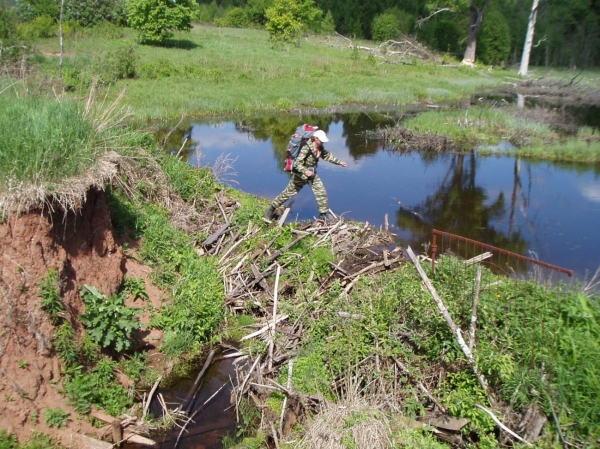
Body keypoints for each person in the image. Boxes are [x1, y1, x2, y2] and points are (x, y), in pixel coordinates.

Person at [265, 129, 347, 221]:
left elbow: (327, 156)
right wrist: (305, 171)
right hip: (300, 175)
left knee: (321, 192)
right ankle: (271, 208)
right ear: (315, 139)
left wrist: (340, 162)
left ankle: (322, 215)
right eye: (321, 140)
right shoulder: (306, 148)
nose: (323, 142)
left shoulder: (320, 148)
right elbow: (297, 164)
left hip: (312, 174)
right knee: (288, 193)